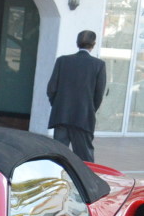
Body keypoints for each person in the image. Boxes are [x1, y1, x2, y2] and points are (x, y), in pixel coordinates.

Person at [46, 30, 107, 161]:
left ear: (77, 43)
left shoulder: (62, 61)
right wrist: (89, 109)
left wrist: (58, 105)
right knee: (85, 161)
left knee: (58, 158)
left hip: (61, 116)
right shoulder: (98, 65)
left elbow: (51, 89)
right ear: (94, 44)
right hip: (83, 119)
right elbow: (99, 94)